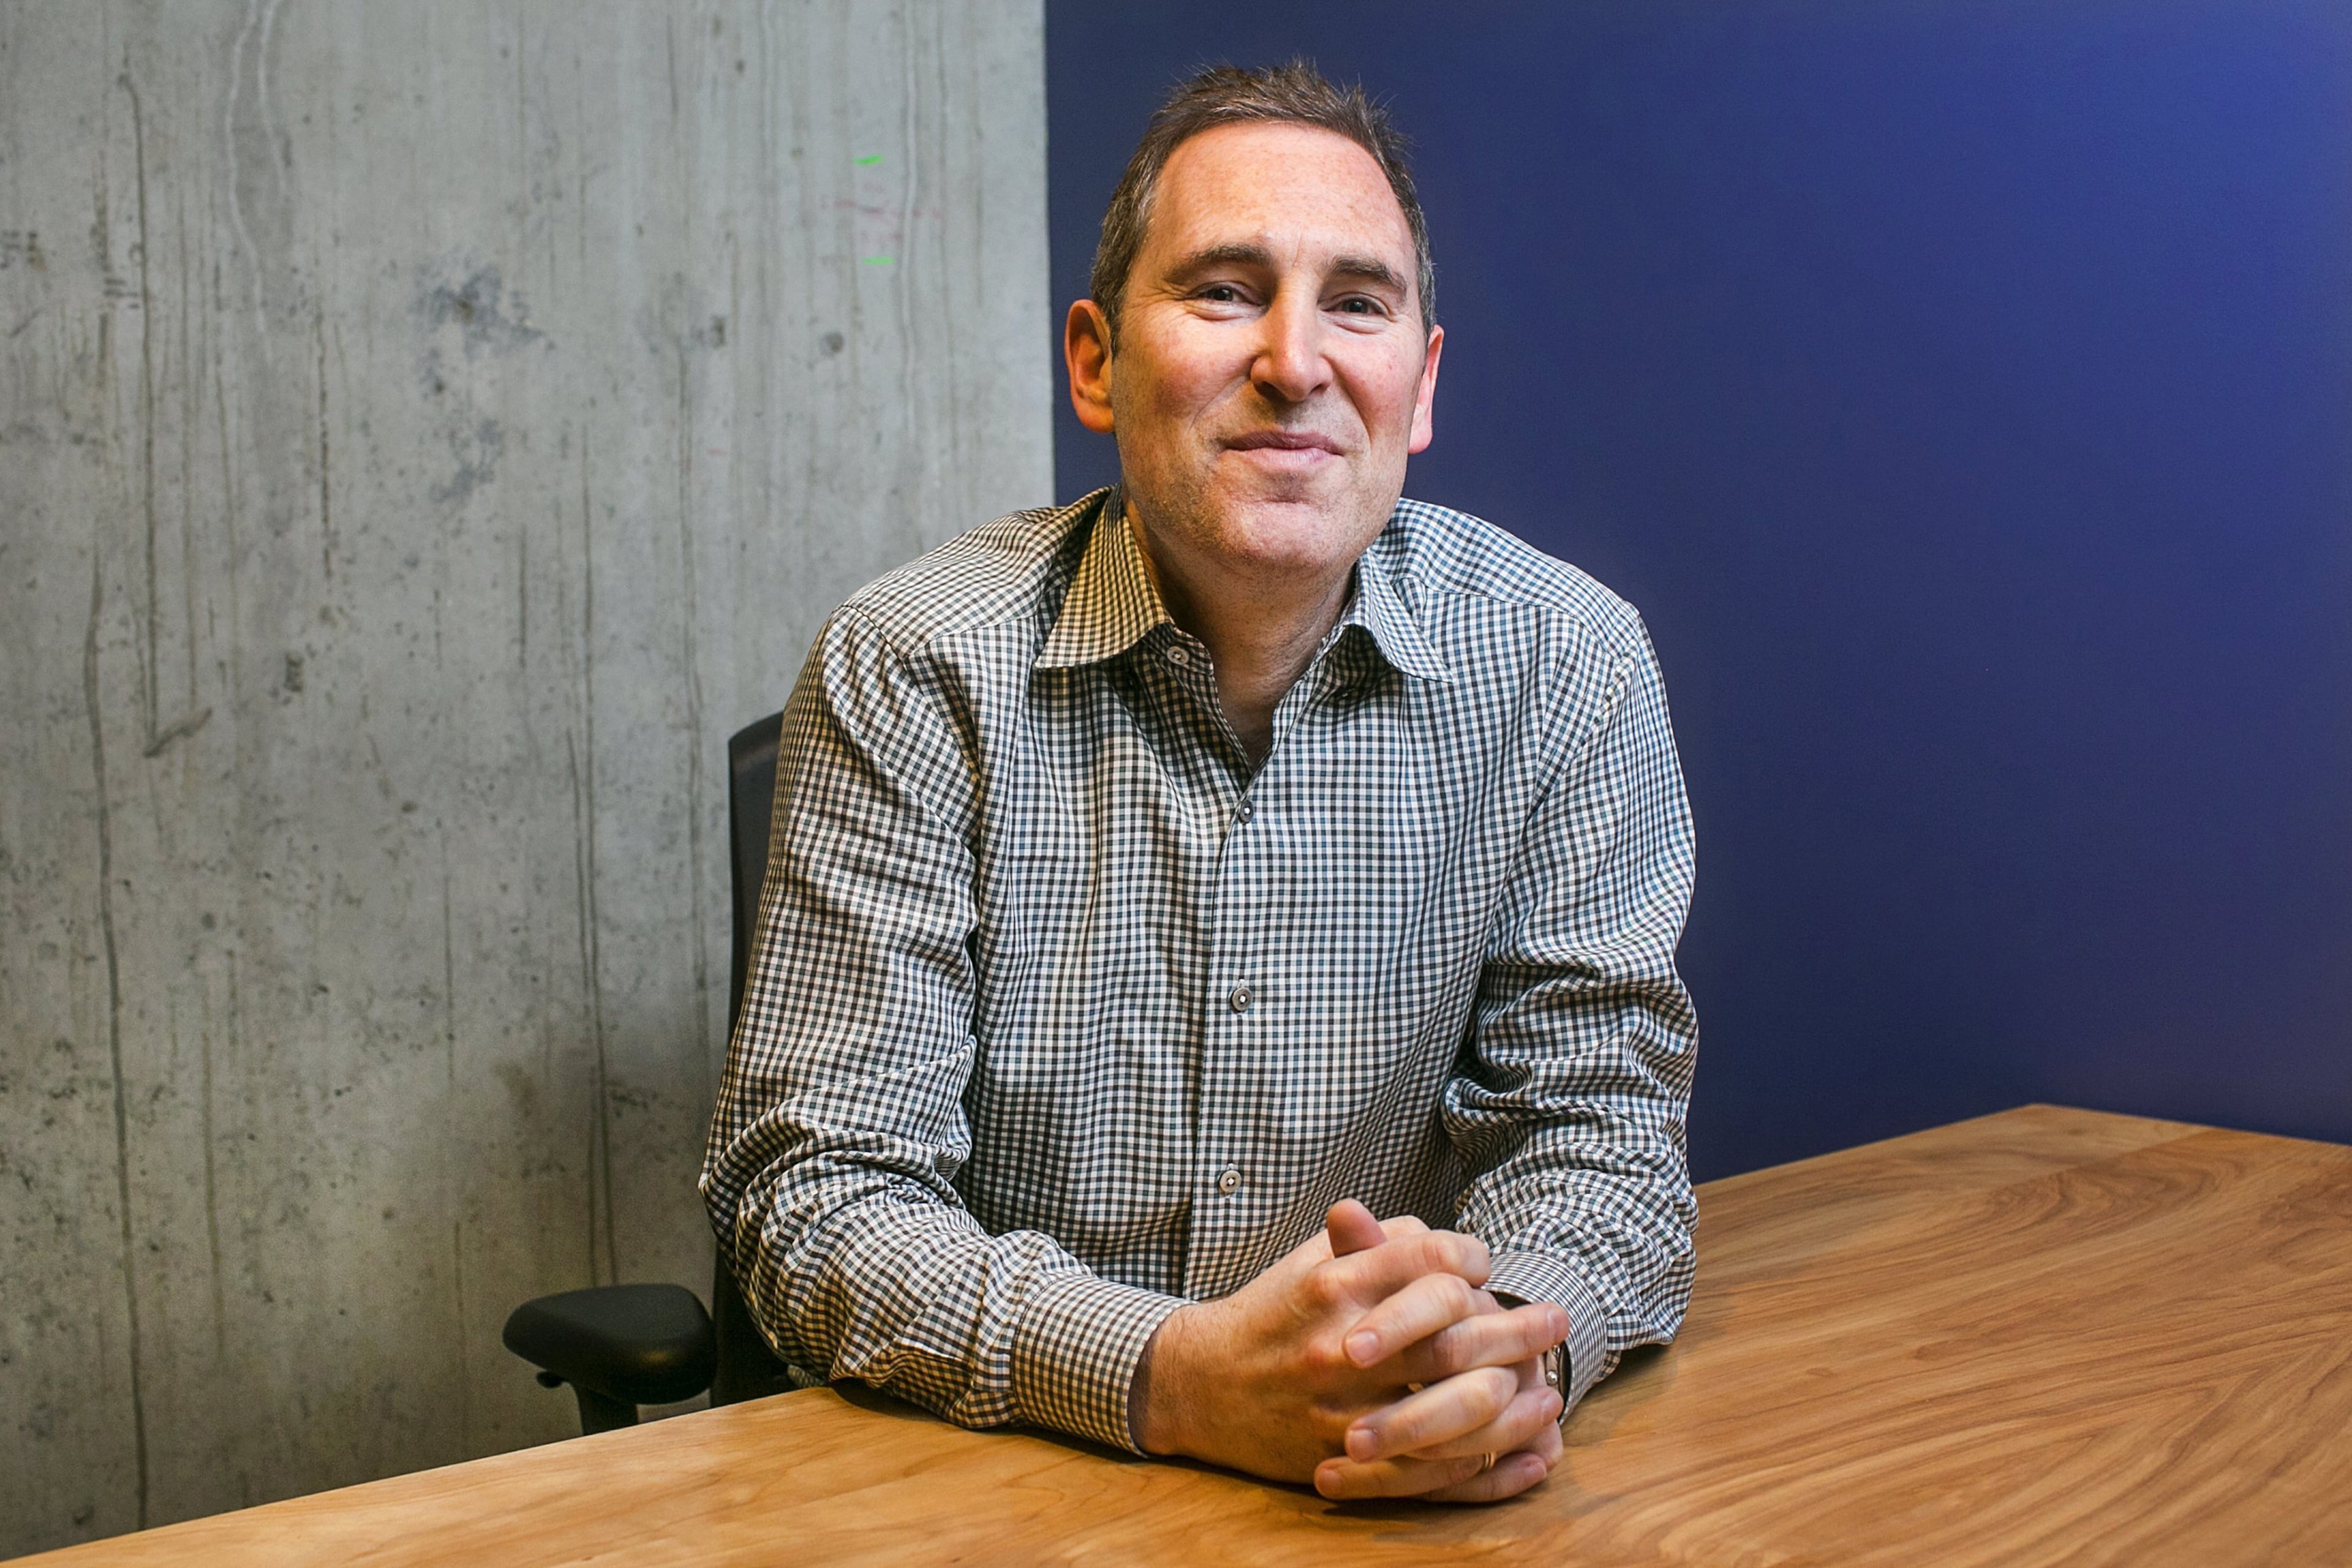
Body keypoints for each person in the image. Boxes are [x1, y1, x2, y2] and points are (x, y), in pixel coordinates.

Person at [701, 61, 1697, 1506]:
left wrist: (1486, 1358)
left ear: (1419, 385)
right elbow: (819, 1195)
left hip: (1372, 1488)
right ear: (1097, 361)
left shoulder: (1569, 664)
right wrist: (1175, 1377)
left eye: (1356, 304)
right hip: (986, 1482)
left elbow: (1598, 1142)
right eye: (1226, 291)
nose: (1295, 361)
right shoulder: (914, 663)